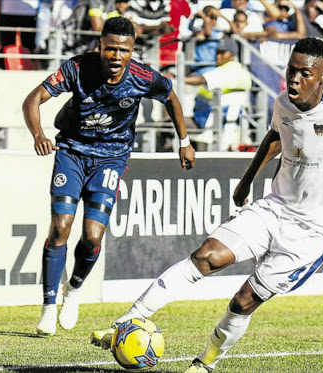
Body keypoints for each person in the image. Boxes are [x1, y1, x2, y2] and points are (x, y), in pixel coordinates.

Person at [90, 37, 323, 372]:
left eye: (305, 74)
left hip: (314, 230)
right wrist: (247, 179)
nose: (294, 79)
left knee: (242, 302)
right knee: (205, 256)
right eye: (291, 70)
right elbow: (275, 137)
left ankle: (205, 363)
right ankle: (125, 322)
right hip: (273, 208)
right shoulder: (283, 101)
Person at [22, 16, 196, 336]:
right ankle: (48, 305)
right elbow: (32, 99)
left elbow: (171, 97)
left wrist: (184, 142)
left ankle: (73, 289)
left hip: (112, 160)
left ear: (132, 51)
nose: (116, 57)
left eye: (124, 51)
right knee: (61, 226)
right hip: (72, 152)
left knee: (92, 237)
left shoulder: (142, 76)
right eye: (110, 49)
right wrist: (38, 134)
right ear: (99, 46)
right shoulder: (76, 68)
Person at [185, 38, 252, 151]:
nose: (218, 56)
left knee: (169, 125)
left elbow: (201, 79)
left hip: (209, 124)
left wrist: (175, 80)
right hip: (226, 124)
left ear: (232, 55)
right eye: (217, 52)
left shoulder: (227, 71)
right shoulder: (244, 73)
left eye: (222, 52)